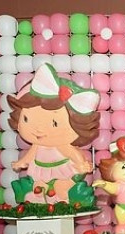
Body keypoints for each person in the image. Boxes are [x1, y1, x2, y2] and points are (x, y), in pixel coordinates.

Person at [8, 63, 100, 204]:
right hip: (40, 169)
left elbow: (72, 153)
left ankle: (62, 198)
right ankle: (40, 198)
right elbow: (31, 155)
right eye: (26, 119)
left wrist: (81, 164)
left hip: (62, 170)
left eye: (54, 123)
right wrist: (21, 162)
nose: (38, 129)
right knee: (39, 185)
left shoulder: (63, 146)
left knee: (61, 186)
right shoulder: (37, 145)